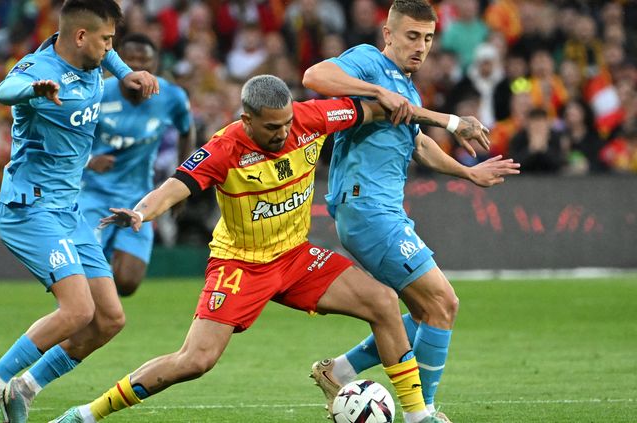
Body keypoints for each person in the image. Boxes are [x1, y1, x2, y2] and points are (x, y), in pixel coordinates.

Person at [48, 74, 491, 423]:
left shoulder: (312, 117)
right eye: (272, 127)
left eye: (286, 123)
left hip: (296, 258)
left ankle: (416, 416)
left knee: (383, 301)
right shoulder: (224, 147)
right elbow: (176, 185)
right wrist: (143, 213)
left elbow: (379, 109)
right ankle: (86, 414)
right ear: (247, 120)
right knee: (196, 360)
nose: (283, 134)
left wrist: (446, 121)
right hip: (240, 265)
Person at [301, 1, 521, 422]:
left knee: (425, 311)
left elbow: (418, 144)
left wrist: (467, 173)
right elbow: (314, 76)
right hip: (366, 210)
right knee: (443, 302)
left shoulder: (410, 89)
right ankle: (423, 415)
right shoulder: (368, 62)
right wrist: (375, 91)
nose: (421, 47)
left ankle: (339, 371)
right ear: (387, 34)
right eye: (411, 36)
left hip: (384, 212)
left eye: (428, 38)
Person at [0, 1, 159, 422]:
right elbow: (3, 91)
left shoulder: (93, 60)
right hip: (28, 209)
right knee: (77, 311)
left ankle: (25, 387)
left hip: (68, 211)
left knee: (108, 318)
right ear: (81, 37)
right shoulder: (39, 68)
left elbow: (111, 57)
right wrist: (34, 90)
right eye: (106, 40)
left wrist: (128, 74)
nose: (111, 48)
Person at [78, 33, 195, 297]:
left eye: (145, 61)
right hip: (92, 195)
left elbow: (187, 131)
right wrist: (88, 160)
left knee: (128, 283)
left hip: (138, 198)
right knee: (86, 282)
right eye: (130, 60)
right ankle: (78, 317)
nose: (138, 67)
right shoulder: (96, 93)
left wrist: (183, 181)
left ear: (156, 66)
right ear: (117, 62)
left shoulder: (171, 97)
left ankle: (96, 298)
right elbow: (66, 134)